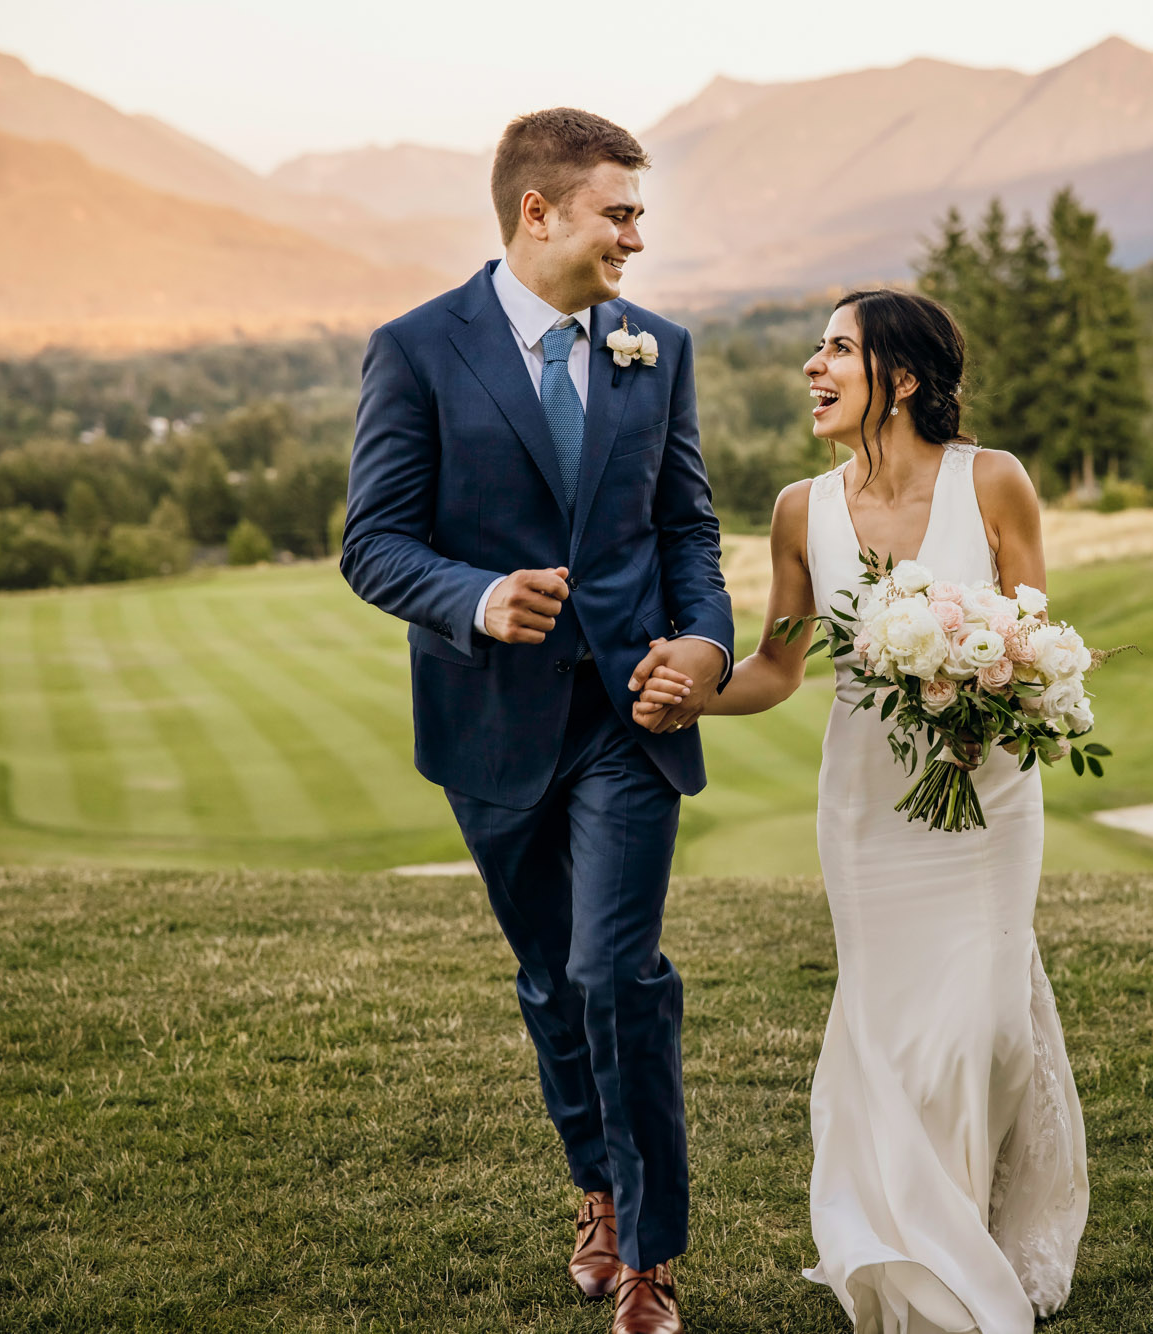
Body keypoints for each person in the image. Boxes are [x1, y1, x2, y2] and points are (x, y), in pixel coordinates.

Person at [341, 107, 732, 1334]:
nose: (635, 235)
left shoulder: (656, 348)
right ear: (538, 212)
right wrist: (475, 596)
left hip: (629, 715)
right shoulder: (413, 350)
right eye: (619, 212)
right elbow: (372, 543)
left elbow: (685, 532)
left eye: (637, 213)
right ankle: (597, 1189)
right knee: (551, 981)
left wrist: (706, 644)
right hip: (490, 727)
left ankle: (650, 1255)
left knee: (617, 970)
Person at [635, 289, 1089, 1333]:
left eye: (838, 348)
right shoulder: (801, 508)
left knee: (978, 1029)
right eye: (816, 346)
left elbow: (1034, 638)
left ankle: (964, 1225)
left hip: (987, 800)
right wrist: (687, 692)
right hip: (865, 806)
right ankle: (911, 1251)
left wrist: (998, 693)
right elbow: (781, 665)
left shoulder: (996, 482)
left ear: (904, 377)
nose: (813, 365)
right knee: (890, 1031)